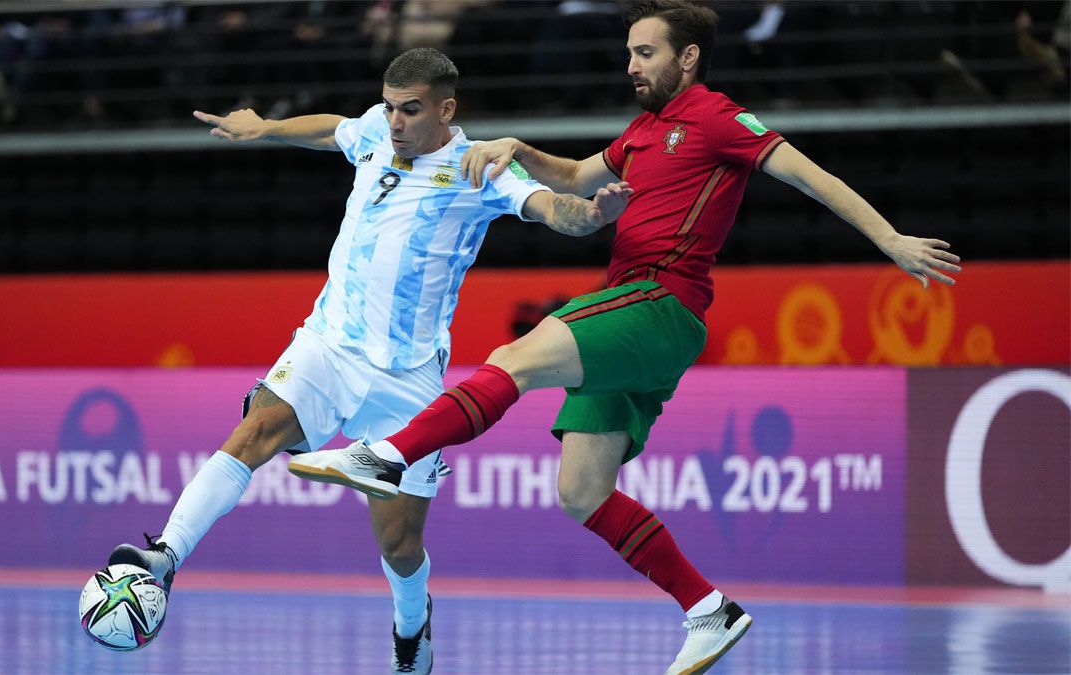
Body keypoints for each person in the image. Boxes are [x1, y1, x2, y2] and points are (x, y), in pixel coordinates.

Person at [288, 2, 962, 673]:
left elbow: (811, 176)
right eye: (630, 52)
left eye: (645, 52)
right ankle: (709, 609)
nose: (631, 65)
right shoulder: (644, 129)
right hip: (633, 310)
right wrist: (518, 148)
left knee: (512, 358)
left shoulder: (719, 119)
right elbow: (577, 177)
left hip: (660, 301)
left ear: (687, 58)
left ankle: (390, 455)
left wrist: (891, 239)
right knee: (582, 491)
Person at [107, 47, 631, 675]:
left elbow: (552, 208)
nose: (395, 122)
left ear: (446, 109)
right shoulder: (378, 132)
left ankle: (412, 625)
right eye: (389, 108)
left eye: (410, 110)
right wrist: (267, 128)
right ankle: (165, 556)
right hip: (328, 343)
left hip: (408, 377)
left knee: (399, 543)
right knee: (255, 430)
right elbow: (335, 129)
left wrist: (592, 215)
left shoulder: (480, 167)